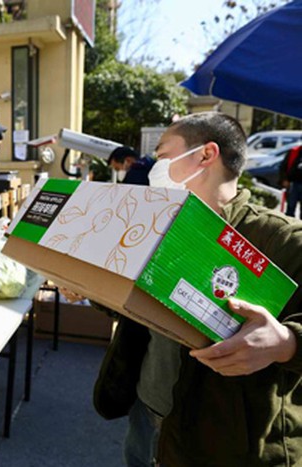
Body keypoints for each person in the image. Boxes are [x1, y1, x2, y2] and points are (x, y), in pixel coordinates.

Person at [92, 112, 302, 466]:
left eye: (162, 155)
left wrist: (286, 343)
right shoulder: (158, 223)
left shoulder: (283, 240)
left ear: (206, 155)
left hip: (228, 445)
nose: (154, 167)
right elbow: (143, 309)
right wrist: (94, 288)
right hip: (148, 414)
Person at [279, 144, 302, 218]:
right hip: (293, 184)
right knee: (290, 208)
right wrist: (284, 179)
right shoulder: (294, 151)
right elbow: (283, 166)